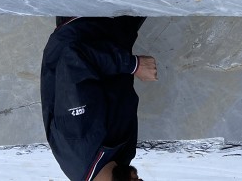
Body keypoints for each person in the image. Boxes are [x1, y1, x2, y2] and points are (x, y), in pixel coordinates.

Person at [41, 16, 157, 181]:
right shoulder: (121, 161)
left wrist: (133, 65)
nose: (139, 179)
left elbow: (74, 57)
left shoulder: (80, 140)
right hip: (114, 32)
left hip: (85, 21)